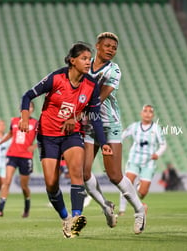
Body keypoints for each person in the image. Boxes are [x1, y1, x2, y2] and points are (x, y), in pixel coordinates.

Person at [19, 42, 113, 238]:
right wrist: (25, 118)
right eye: (84, 59)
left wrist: (103, 142)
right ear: (72, 60)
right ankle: (65, 217)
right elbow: (27, 96)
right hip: (48, 136)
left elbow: (94, 116)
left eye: (90, 59)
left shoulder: (91, 85)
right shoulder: (56, 78)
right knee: (51, 184)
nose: (89, 62)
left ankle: (76, 218)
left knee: (76, 172)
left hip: (72, 135)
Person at [82, 32, 147, 234]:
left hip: (109, 125)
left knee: (114, 175)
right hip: (89, 126)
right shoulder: (84, 66)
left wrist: (78, 112)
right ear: (97, 46)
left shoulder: (114, 70)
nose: (111, 50)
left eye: (114, 48)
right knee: (82, 173)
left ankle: (139, 211)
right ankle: (106, 207)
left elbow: (99, 98)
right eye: (108, 46)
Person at [118, 104, 167, 215]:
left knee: (143, 193)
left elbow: (163, 144)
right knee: (126, 183)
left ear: (153, 115)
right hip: (134, 159)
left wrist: (157, 154)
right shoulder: (134, 126)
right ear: (141, 113)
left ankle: (138, 191)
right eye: (145, 111)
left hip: (149, 162)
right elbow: (122, 136)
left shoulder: (156, 128)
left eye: (150, 112)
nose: (147, 113)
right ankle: (122, 210)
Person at [0, 102, 37, 218]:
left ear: (32, 110)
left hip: (26, 157)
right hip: (12, 154)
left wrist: (35, 146)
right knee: (7, 181)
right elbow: (10, 134)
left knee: (24, 186)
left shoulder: (35, 123)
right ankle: (0, 210)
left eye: (29, 107)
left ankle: (27, 208)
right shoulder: (14, 121)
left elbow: (43, 138)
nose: (27, 109)